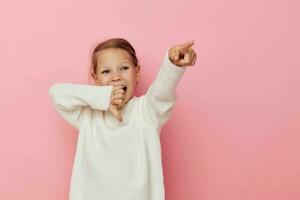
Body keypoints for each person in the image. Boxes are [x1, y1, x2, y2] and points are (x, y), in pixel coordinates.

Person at [48, 37, 197, 200]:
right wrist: (104, 97)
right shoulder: (88, 115)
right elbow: (57, 93)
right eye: (106, 71)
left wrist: (172, 65)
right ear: (95, 78)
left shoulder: (147, 111)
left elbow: (161, 94)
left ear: (137, 72)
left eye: (124, 68)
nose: (116, 77)